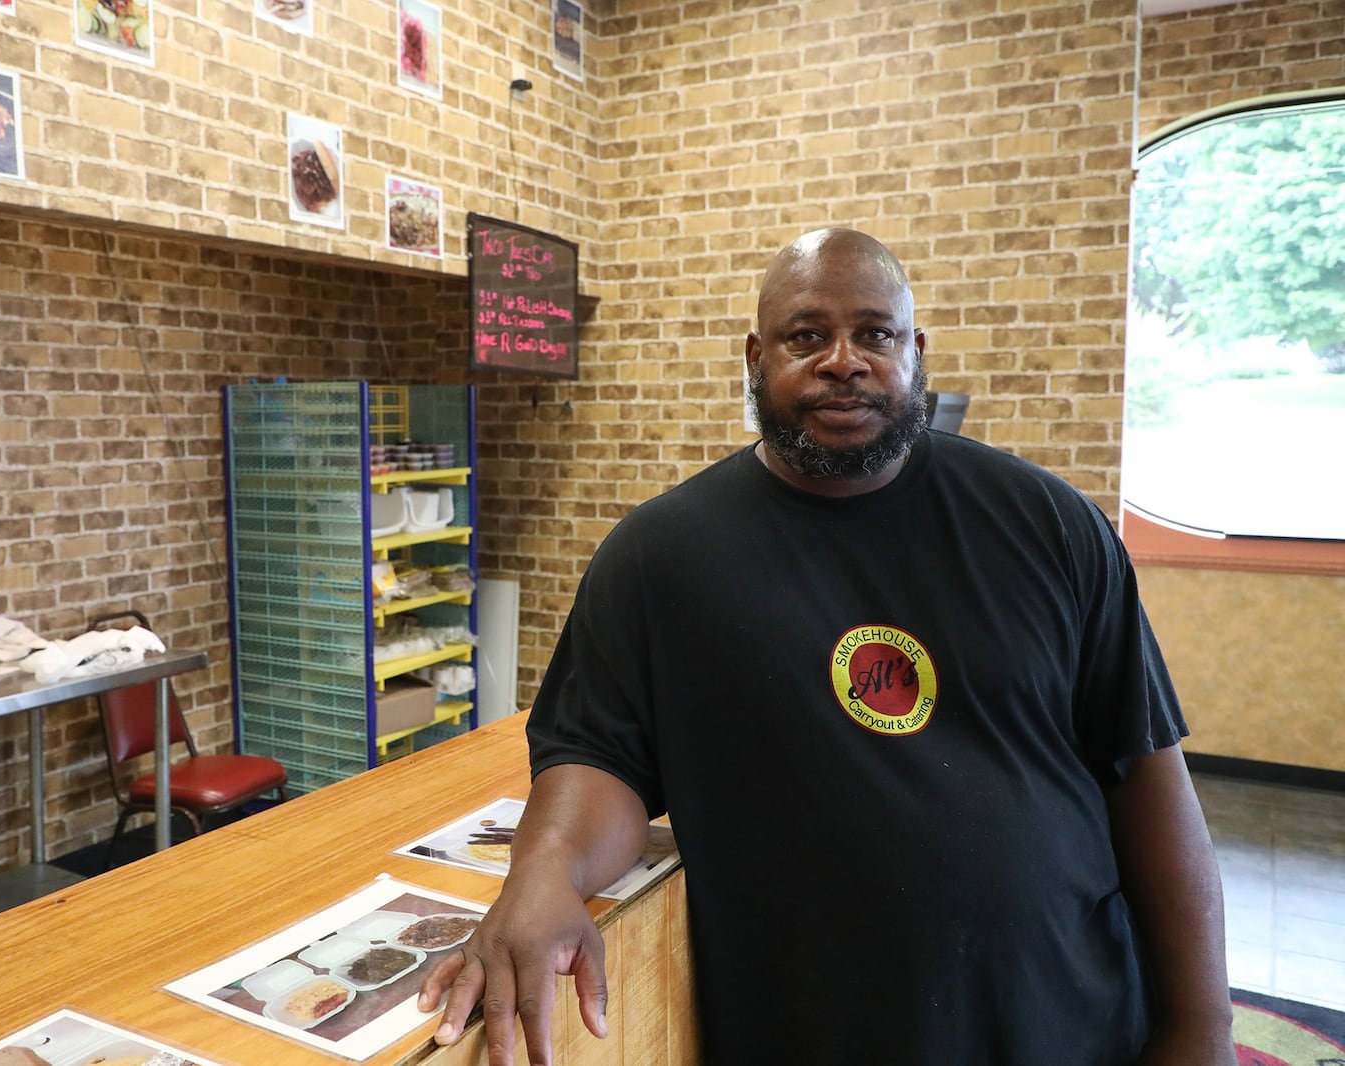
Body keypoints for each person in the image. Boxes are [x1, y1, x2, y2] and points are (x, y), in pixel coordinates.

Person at [418, 228, 1236, 1065]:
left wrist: (1201, 1028)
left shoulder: (1049, 524)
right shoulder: (658, 558)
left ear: (915, 352)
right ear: (753, 356)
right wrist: (545, 871)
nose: (843, 360)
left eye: (875, 334)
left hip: (1074, 1020)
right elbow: (597, 758)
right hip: (806, 1030)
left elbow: (1145, 775)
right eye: (806, 335)